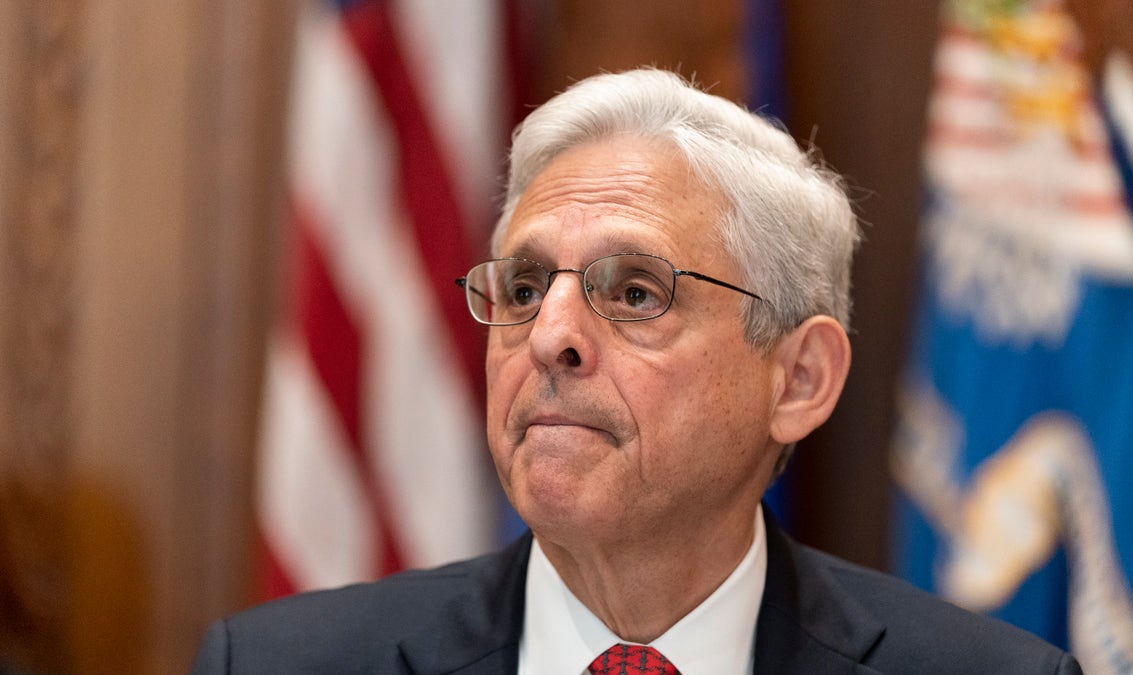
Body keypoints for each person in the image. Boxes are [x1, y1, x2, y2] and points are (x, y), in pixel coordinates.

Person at [191, 68, 1082, 674]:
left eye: (637, 293)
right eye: (528, 285)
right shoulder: (275, 664)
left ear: (799, 377)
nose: (551, 336)